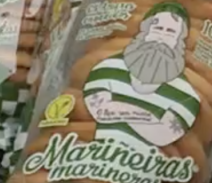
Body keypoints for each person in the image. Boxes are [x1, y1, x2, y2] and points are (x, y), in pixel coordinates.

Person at [81, 3, 200, 149]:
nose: (161, 37)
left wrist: (118, 108)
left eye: (170, 32)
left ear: (180, 41)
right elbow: (101, 112)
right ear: (144, 32)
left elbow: (163, 135)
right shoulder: (106, 69)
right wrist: (149, 117)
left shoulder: (186, 94)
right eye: (157, 29)